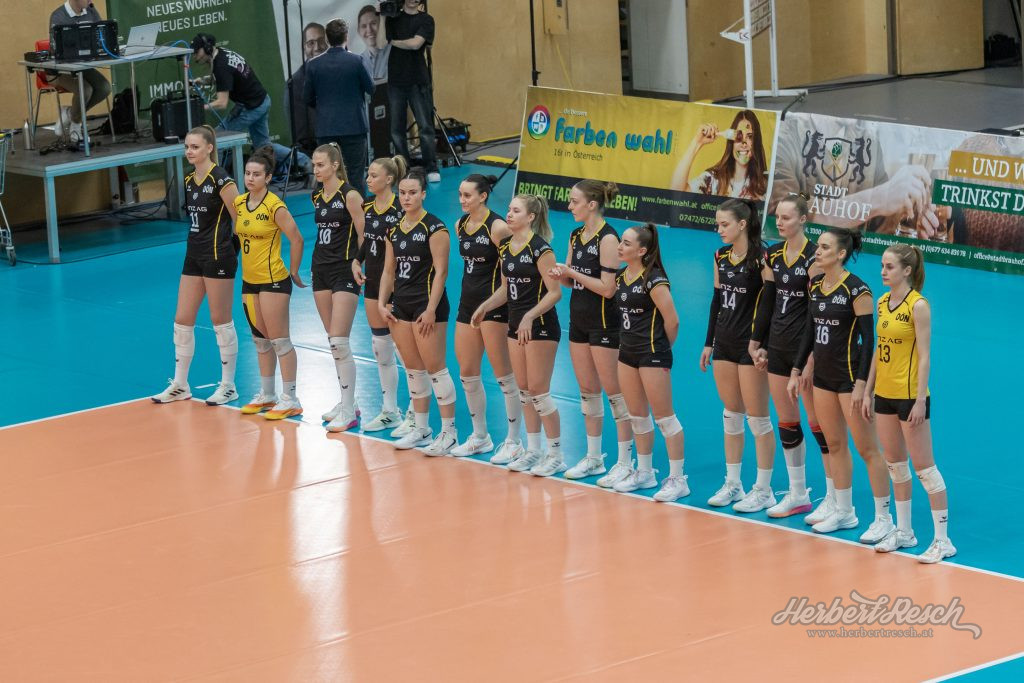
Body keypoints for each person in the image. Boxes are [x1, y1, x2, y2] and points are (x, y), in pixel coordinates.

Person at [787, 228, 893, 541]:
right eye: (817, 247)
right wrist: (796, 369)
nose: (817, 252)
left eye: (824, 247)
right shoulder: (816, 285)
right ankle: (844, 511)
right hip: (823, 379)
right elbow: (809, 331)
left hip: (849, 380)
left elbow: (869, 341)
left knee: (868, 449)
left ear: (841, 254)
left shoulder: (857, 290)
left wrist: (862, 385)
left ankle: (884, 518)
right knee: (834, 444)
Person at [863, 244, 955, 563]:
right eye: (882, 266)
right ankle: (904, 531)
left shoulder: (918, 306)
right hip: (884, 395)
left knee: (925, 470)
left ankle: (943, 540)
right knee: (896, 466)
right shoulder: (882, 302)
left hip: (910, 397)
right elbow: (880, 348)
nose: (883, 271)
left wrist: (919, 400)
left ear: (906, 271)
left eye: (889, 267)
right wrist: (868, 390)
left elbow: (926, 356)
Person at [749, 193, 831, 520]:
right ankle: (798, 494)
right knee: (787, 420)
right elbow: (768, 300)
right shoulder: (773, 254)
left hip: (805, 348)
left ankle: (835, 498)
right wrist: (759, 342)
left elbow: (818, 311)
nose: (780, 222)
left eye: (786, 217)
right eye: (778, 217)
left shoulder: (814, 258)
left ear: (803, 220)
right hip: (779, 346)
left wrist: (809, 359)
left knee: (818, 424)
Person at [548, 180, 633, 484]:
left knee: (616, 394)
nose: (570, 206)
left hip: (604, 323)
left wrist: (571, 271)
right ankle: (594, 458)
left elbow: (608, 289)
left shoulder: (608, 239)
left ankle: (625, 461)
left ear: (592, 205)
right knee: (587, 392)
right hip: (579, 320)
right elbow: (574, 281)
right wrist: (562, 275)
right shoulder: (576, 235)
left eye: (575, 201)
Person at [472, 195, 563, 476]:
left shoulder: (541, 249)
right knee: (524, 391)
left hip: (540, 326)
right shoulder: (506, 247)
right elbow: (505, 288)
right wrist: (485, 306)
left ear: (531, 217)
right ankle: (533, 450)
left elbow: (555, 293)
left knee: (539, 392)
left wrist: (529, 316)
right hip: (515, 325)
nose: (509, 215)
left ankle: (556, 455)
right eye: (509, 210)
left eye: (515, 211)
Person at [152, 126, 240, 406]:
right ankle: (180, 384)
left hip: (218, 255)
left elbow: (240, 219)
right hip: (193, 255)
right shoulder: (190, 180)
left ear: (209, 148)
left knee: (220, 321)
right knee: (182, 320)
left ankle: (228, 386)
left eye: (195, 147)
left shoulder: (222, 180)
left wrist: (232, 250)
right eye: (187, 147)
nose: (189, 151)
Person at [700, 199, 777, 512]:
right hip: (724, 342)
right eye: (717, 224)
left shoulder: (762, 257)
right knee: (731, 415)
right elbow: (717, 300)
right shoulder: (720, 256)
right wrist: (708, 342)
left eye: (725, 224)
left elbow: (772, 303)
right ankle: (733, 484)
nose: (719, 229)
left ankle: (764, 489)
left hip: (750, 345)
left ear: (742, 224)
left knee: (758, 420)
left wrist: (763, 344)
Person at [377, 169, 456, 454]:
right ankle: (421, 429)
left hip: (427, 305)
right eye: (402, 193)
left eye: (412, 193)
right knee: (413, 369)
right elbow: (389, 270)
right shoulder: (393, 229)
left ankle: (449, 433)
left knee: (436, 369)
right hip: (401, 305)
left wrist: (432, 309)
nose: (406, 198)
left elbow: (441, 271)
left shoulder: (435, 228)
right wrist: (381, 303)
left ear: (423, 194)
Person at [450, 174, 524, 460]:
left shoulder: (498, 227)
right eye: (460, 194)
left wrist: (488, 305)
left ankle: (514, 440)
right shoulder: (460, 225)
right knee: (467, 373)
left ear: (483, 196)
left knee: (504, 376)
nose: (462, 200)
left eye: (468, 195)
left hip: (495, 307)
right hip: (467, 306)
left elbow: (509, 278)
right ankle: (480, 437)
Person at [612, 224, 689, 501]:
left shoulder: (654, 279)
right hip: (627, 353)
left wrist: (661, 348)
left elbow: (673, 321)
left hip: (652, 353)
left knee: (665, 419)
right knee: (637, 416)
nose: (620, 246)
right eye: (621, 241)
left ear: (642, 251)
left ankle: (678, 480)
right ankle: (645, 473)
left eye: (626, 243)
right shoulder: (621, 277)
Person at [233, 147, 307, 420]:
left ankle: (291, 398)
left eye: (256, 174)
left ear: (267, 177)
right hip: (249, 282)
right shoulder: (240, 203)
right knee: (260, 341)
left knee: (279, 341)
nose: (250, 178)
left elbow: (296, 238)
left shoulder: (275, 206)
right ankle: (267, 394)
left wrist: (294, 270)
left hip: (273, 280)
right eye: (247, 173)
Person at [191, 33, 309, 175]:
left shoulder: (220, 66)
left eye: (197, 52)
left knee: (216, 141)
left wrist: (198, 108)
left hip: (251, 107)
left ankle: (217, 180)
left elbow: (222, 103)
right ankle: (305, 161)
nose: (195, 57)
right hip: (261, 101)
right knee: (263, 146)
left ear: (207, 48)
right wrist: (202, 81)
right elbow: (225, 77)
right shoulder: (222, 53)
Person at [309, 143, 366, 432]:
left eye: (321, 165)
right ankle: (348, 402)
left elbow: (363, 234)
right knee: (333, 340)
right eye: (314, 165)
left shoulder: (350, 195)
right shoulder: (317, 196)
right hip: (320, 269)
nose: (316, 170)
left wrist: (360, 263)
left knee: (339, 341)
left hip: (344, 269)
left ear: (334, 165)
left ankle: (348, 411)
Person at [353, 155, 410, 434]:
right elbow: (369, 239)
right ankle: (390, 411)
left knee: (405, 352)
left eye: (374, 175)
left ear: (389, 179)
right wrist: (357, 260)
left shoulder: (401, 208)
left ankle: (416, 413)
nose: (368, 179)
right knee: (381, 348)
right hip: (374, 283)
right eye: (368, 174)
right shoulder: (367, 205)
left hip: (398, 286)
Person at [304, 19, 375, 199]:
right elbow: (371, 88)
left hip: (326, 127)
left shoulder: (313, 64)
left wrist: (324, 108)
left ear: (327, 39)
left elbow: (307, 98)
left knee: (326, 174)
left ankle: (328, 209)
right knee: (356, 174)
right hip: (354, 126)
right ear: (346, 37)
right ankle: (357, 211)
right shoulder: (357, 61)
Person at [385, 0, 440, 183]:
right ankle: (404, 168)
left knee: (425, 126)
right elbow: (381, 42)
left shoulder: (427, 20)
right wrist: (382, 16)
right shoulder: (393, 19)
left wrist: (394, 42)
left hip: (418, 80)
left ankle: (431, 167)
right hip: (396, 80)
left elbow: (416, 44)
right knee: (396, 129)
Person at [48, 0, 112, 144]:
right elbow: (55, 48)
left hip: (83, 66)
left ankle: (70, 113)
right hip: (60, 71)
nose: (90, 1)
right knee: (86, 90)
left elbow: (101, 35)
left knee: (104, 88)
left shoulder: (91, 11)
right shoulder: (58, 16)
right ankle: (76, 125)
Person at [673, 110, 769, 200]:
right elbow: (676, 194)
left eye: (749, 136)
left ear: (756, 142)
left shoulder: (766, 185)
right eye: (739, 135)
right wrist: (697, 143)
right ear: (731, 142)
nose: (743, 143)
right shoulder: (713, 180)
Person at [288, 22, 327, 156]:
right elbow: (301, 137)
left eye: (321, 41)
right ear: (304, 48)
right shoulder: (295, 84)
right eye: (311, 43)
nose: (317, 47)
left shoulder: (338, 71)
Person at [358, 4, 391, 83]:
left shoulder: (396, 53)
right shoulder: (358, 62)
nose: (369, 30)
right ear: (358, 31)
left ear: (382, 25)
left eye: (373, 23)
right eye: (364, 26)